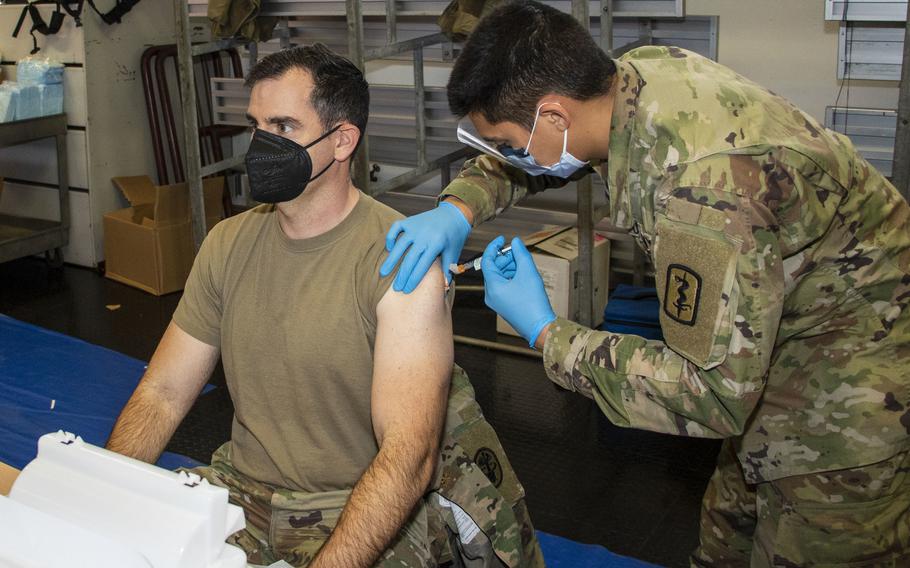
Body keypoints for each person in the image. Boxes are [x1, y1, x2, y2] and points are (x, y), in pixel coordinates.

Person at [380, 1, 910, 565]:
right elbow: (533, 153)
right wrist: (459, 208)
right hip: (779, 339)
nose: (509, 158)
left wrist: (546, 332)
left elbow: (713, 395)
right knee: (725, 541)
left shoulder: (706, 190)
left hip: (854, 374)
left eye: (510, 143)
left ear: (555, 116)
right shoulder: (627, 83)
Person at [107, 44, 542, 568]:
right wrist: (102, 497)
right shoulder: (227, 243)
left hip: (352, 501)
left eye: (285, 127)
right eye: (256, 125)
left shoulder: (399, 261)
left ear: (341, 142)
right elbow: (162, 393)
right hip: (243, 492)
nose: (262, 144)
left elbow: (408, 456)